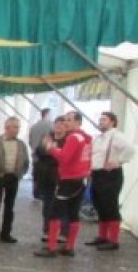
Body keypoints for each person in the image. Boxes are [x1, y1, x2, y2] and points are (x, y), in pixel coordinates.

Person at [35, 110, 92, 258]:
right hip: (80, 179)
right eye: (65, 119)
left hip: (68, 180)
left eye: (69, 120)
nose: (66, 122)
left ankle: (52, 247)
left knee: (54, 213)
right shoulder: (85, 138)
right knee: (73, 213)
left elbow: (64, 158)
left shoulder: (73, 137)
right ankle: (69, 246)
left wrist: (51, 148)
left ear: (78, 122)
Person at [87, 111, 134, 251]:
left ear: (112, 122)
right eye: (100, 119)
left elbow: (130, 149)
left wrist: (119, 161)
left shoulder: (116, 136)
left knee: (110, 206)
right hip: (97, 174)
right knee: (99, 205)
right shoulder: (98, 138)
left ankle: (113, 240)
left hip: (110, 175)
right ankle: (102, 236)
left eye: (104, 120)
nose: (101, 122)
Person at [0, 116, 30, 245]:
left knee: (10, 206)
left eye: (18, 127)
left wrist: (21, 173)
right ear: (6, 127)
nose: (16, 130)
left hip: (13, 177)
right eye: (14, 127)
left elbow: (26, 160)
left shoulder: (21, 144)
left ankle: (5, 233)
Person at [34, 116, 66, 242]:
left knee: (61, 206)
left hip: (61, 177)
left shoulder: (68, 140)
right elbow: (39, 152)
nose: (58, 126)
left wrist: (51, 151)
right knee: (47, 205)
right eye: (56, 124)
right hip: (46, 177)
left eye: (61, 124)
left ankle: (63, 232)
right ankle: (47, 230)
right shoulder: (47, 137)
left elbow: (62, 157)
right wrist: (50, 152)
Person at [28, 107, 54, 199]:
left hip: (35, 154)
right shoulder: (51, 126)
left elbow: (30, 141)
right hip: (45, 156)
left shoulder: (33, 127)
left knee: (36, 174)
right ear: (47, 114)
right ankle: (43, 193)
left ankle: (36, 192)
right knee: (45, 175)